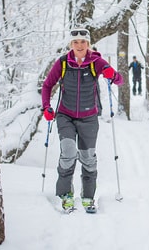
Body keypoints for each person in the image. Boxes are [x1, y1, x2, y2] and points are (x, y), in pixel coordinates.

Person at [41, 28, 123, 212]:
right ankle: (66, 195)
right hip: (65, 115)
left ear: (88, 44)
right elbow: (47, 85)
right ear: (71, 45)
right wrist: (46, 107)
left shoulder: (96, 62)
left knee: (88, 158)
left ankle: (88, 197)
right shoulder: (63, 63)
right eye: (75, 42)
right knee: (68, 153)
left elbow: (120, 81)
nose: (79, 45)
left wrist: (112, 74)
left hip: (89, 118)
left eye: (83, 42)